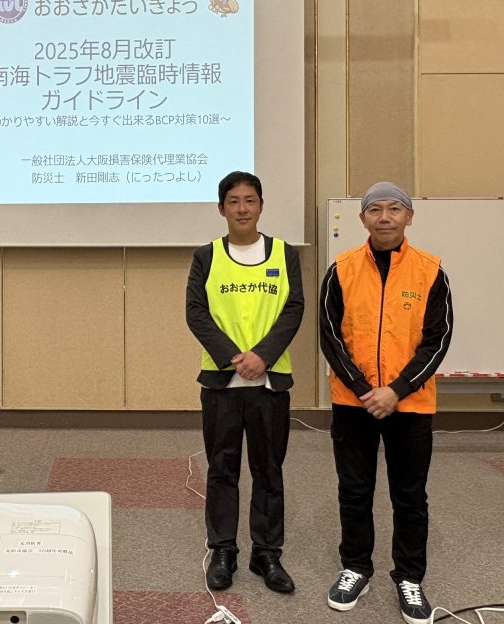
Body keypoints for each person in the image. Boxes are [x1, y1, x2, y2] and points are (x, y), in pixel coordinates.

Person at [319, 181, 453, 624]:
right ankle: (355, 567)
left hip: (409, 404)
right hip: (353, 403)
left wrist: (396, 390)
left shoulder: (431, 271)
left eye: (394, 209)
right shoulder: (341, 269)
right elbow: (330, 336)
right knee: (354, 491)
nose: (384, 217)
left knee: (409, 496)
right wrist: (363, 389)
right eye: (374, 209)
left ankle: (410, 577)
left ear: (409, 216)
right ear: (362, 219)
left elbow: (437, 340)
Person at [185, 171, 305, 594]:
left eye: (250, 200)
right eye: (233, 201)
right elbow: (196, 312)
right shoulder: (206, 256)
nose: (242, 208)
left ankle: (267, 553)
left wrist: (263, 356)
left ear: (261, 205)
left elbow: (293, 308)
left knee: (268, 470)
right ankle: (223, 550)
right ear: (221, 208)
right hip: (222, 383)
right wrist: (235, 357)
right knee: (222, 469)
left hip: (269, 384)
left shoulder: (284, 254)